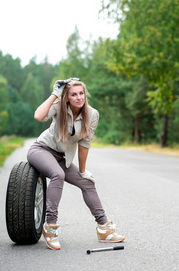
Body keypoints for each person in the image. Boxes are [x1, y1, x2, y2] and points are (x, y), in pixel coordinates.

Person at [27, 78, 125, 250]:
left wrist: (82, 170)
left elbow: (85, 144)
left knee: (87, 182)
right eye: (74, 94)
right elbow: (38, 116)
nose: (79, 97)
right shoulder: (59, 106)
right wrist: (55, 94)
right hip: (42, 150)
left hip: (62, 158)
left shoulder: (92, 114)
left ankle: (104, 229)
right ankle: (50, 227)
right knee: (58, 175)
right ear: (67, 97)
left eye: (81, 93)